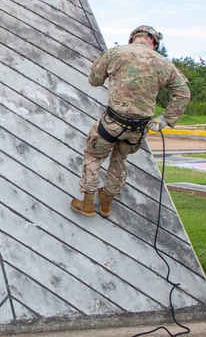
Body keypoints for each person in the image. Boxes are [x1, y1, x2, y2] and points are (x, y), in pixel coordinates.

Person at [70, 26, 190, 218]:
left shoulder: (116, 53)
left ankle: (87, 204)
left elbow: (94, 80)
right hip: (138, 129)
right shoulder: (165, 63)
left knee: (93, 157)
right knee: (119, 160)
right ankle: (107, 205)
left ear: (133, 38)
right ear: (153, 42)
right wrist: (165, 119)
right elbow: (183, 94)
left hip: (112, 123)